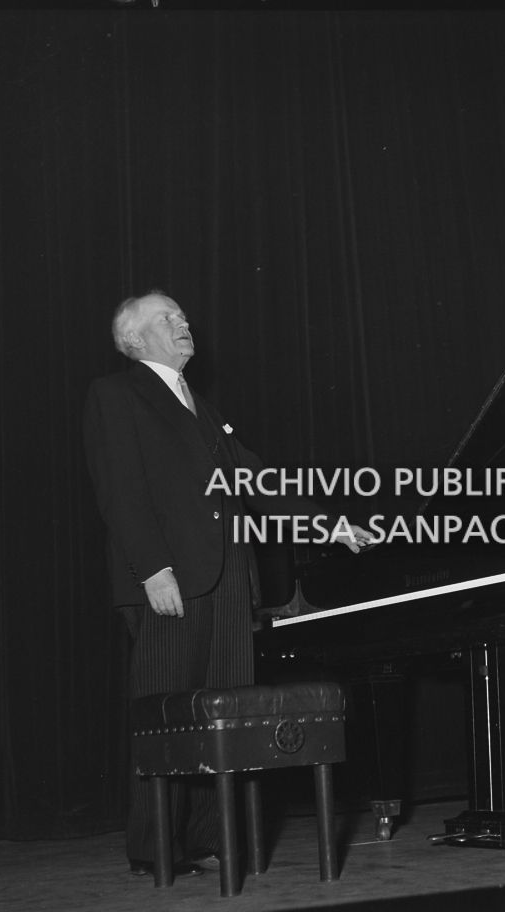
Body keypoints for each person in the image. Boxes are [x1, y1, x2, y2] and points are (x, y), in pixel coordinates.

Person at [83, 290, 372, 877]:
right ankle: (155, 847)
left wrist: (330, 522)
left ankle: (214, 839)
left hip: (227, 583)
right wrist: (153, 569)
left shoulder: (201, 405)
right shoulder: (115, 394)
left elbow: (255, 474)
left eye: (184, 316)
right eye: (168, 318)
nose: (184, 323)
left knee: (226, 717)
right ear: (134, 338)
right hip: (170, 582)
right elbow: (120, 489)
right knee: (168, 714)